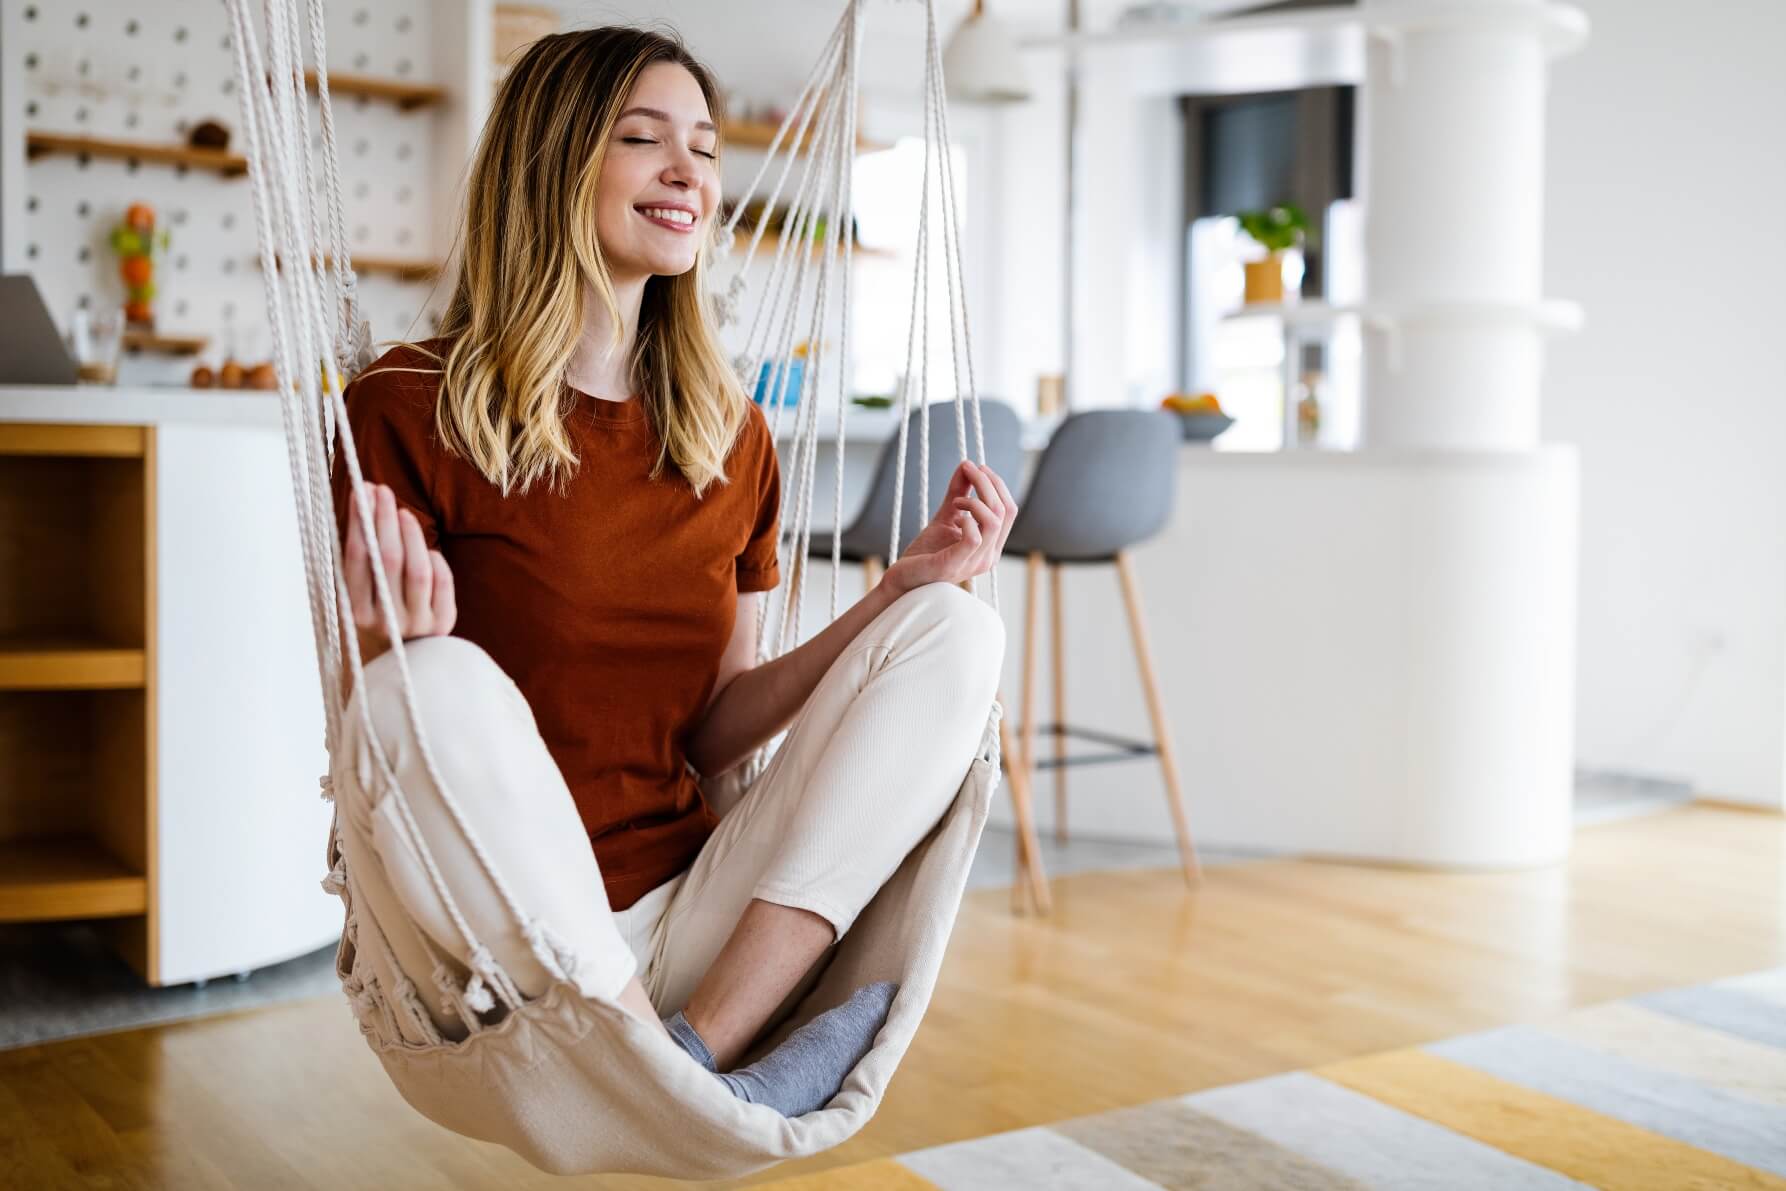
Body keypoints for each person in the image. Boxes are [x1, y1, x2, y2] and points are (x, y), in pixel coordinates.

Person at [328, 26, 1013, 1119]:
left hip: (689, 919)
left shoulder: (728, 436)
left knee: (958, 628)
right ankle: (672, 1074)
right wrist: (392, 652)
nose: (688, 168)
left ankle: (695, 1059)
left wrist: (894, 597)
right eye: (642, 138)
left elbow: (712, 728)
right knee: (438, 684)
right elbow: (389, 750)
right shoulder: (406, 407)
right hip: (504, 949)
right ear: (551, 164)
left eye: (702, 144)